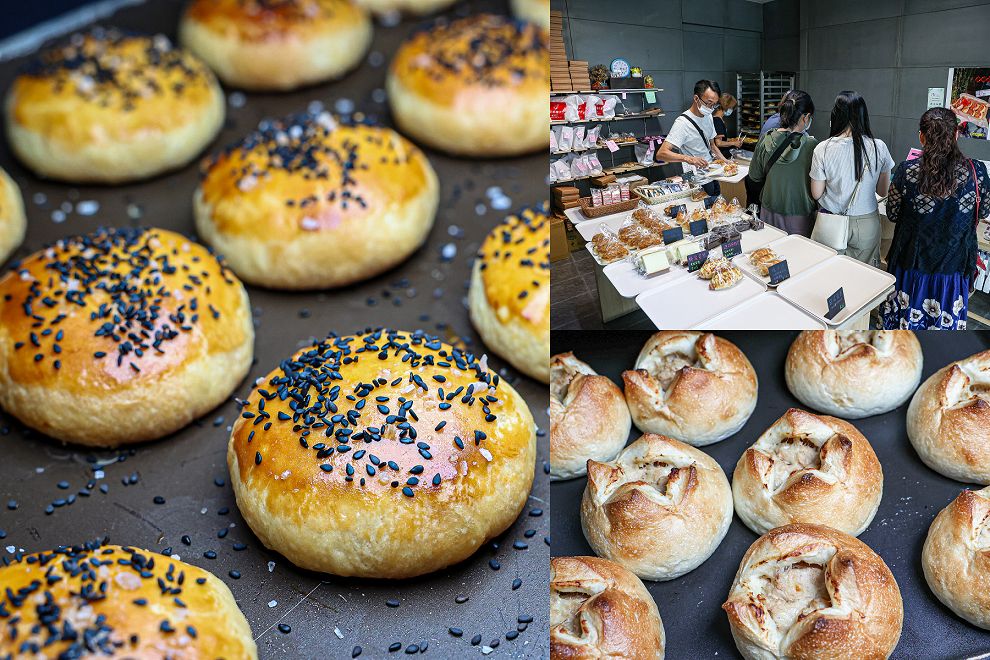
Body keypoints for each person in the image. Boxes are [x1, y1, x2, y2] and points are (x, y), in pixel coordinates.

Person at [881, 107, 990, 330]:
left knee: (904, 329)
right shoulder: (976, 171)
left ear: (921, 137)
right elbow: (984, 211)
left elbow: (892, 213)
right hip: (953, 267)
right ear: (956, 135)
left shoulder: (907, 171)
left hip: (911, 265)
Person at [809, 91, 895, 267]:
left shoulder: (822, 148)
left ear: (835, 116)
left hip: (831, 221)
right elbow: (883, 191)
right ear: (863, 116)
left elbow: (816, 193)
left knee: (828, 269)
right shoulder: (879, 147)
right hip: (866, 224)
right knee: (863, 273)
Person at [748, 90, 818, 236]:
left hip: (769, 210)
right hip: (800, 214)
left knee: (769, 249)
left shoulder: (766, 139)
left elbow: (754, 176)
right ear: (806, 117)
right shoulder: (813, 146)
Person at [656, 79, 729, 196]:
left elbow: (712, 146)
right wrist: (689, 159)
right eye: (709, 103)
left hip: (712, 174)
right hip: (697, 181)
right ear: (696, 98)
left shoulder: (708, 116)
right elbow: (661, 154)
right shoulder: (682, 123)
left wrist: (727, 162)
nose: (711, 108)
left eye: (714, 105)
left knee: (717, 204)